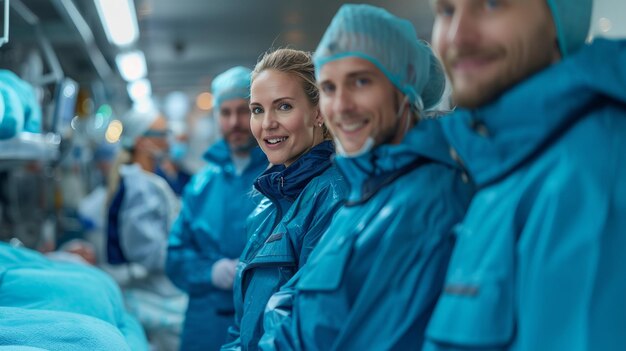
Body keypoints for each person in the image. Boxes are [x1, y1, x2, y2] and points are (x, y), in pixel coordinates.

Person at [258, 5, 474, 350]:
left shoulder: (428, 201)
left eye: (360, 82)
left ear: (405, 88)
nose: (341, 106)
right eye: (328, 87)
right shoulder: (365, 196)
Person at [423, 0, 626, 350]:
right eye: (446, 11)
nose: (458, 35)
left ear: (562, 20)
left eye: (492, 4)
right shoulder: (510, 167)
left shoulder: (591, 177)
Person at [221, 48, 348, 351]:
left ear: (319, 112)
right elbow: (243, 324)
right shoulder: (267, 206)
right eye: (257, 109)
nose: (267, 124)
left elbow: (309, 326)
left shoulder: (334, 198)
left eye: (284, 107)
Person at [166, 66, 268, 351]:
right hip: (204, 327)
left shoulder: (280, 178)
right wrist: (209, 271)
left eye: (243, 110)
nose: (234, 122)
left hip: (261, 326)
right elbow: (175, 257)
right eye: (225, 113)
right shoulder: (201, 186)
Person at [106, 105, 186, 351]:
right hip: (155, 291)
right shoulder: (140, 187)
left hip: (162, 287)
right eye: (162, 134)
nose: (168, 141)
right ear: (141, 142)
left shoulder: (149, 181)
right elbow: (147, 254)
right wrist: (191, 255)